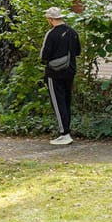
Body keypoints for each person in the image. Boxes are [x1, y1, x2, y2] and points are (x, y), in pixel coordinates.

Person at [39, 8, 81, 146]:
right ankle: (67, 130)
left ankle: (64, 133)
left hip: (54, 73)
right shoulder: (73, 32)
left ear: (50, 19)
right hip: (70, 70)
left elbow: (44, 56)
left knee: (57, 102)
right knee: (67, 101)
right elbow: (78, 51)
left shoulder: (51, 34)